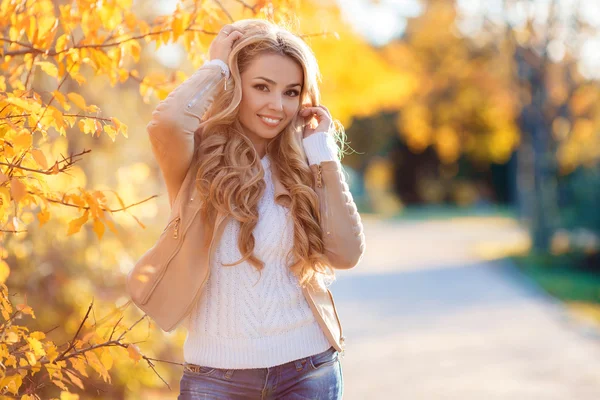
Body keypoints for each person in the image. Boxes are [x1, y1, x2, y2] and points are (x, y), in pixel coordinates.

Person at [146, 18, 365, 400]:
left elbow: (346, 254)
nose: (276, 105)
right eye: (262, 87)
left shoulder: (305, 165)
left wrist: (321, 151)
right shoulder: (198, 158)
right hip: (215, 377)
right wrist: (216, 65)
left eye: (291, 92)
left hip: (308, 369)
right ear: (235, 86)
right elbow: (166, 122)